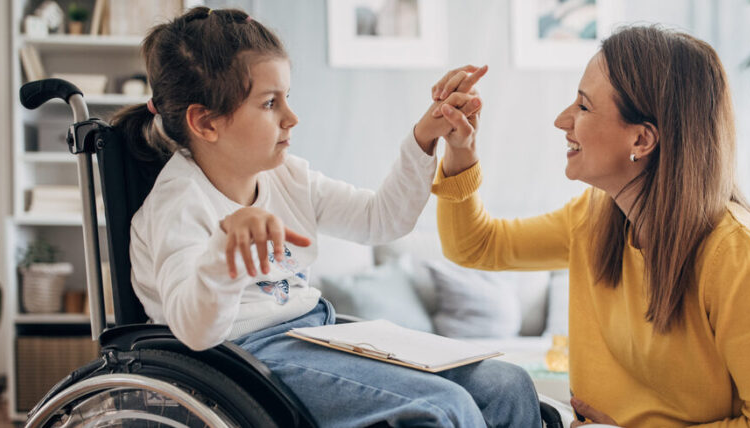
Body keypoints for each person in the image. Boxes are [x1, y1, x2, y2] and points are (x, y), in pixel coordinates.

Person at [119, 7, 540, 427]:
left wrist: (424, 138)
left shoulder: (288, 176)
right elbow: (196, 332)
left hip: (317, 334)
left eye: (287, 97)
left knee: (508, 385)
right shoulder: (177, 205)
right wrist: (224, 254)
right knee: (443, 407)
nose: (292, 117)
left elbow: (381, 220)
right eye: (270, 103)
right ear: (205, 122)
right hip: (244, 360)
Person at [429, 24, 750, 427]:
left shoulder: (738, 255)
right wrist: (460, 149)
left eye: (583, 107)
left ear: (642, 140)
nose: (562, 121)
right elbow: (474, 246)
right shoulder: (595, 217)